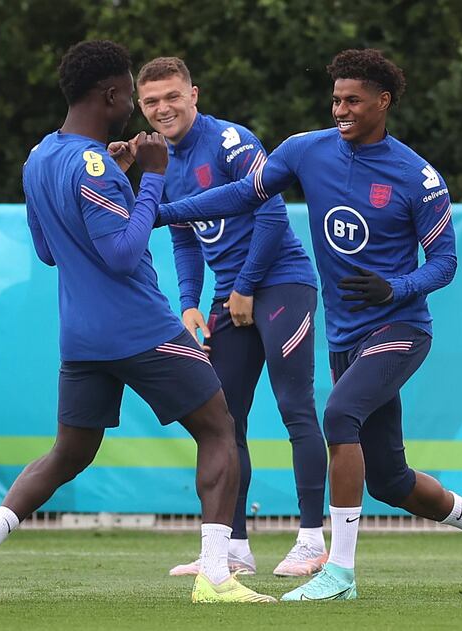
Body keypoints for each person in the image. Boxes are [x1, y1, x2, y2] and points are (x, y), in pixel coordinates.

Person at [156, 48, 462, 601]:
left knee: (337, 415)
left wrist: (397, 287)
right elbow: (245, 194)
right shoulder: (304, 151)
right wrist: (160, 212)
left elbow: (445, 263)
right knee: (390, 481)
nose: (340, 110)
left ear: (384, 102)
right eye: (335, 99)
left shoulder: (419, 177)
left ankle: (339, 572)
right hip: (347, 338)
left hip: (401, 330)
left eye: (353, 100)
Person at [0, 40, 274, 605]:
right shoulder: (96, 163)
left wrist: (122, 183)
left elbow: (48, 250)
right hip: (141, 328)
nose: (135, 111)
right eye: (129, 95)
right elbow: (122, 254)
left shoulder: (40, 157)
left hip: (80, 337)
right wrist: (149, 177)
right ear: (112, 94)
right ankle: (216, 575)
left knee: (69, 453)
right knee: (219, 430)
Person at [131, 56, 328, 578]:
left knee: (295, 408)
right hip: (227, 299)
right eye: (151, 101)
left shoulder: (229, 141)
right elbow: (182, 235)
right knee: (221, 421)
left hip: (282, 285)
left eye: (172, 96)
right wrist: (191, 301)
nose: (162, 108)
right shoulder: (160, 162)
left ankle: (312, 541)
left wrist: (242, 287)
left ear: (194, 93)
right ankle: (233, 549)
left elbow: (271, 210)